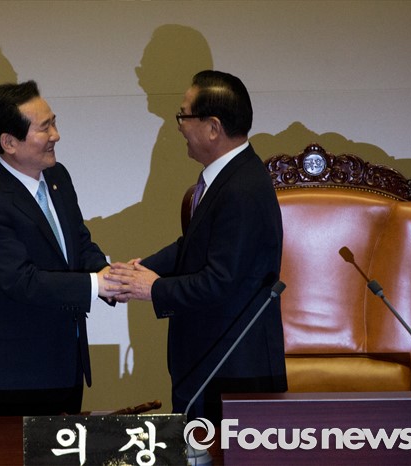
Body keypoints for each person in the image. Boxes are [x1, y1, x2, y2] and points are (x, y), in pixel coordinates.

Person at [106, 70, 287, 423]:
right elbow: (192, 246)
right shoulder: (229, 177)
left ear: (213, 127)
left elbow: (220, 281)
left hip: (232, 371)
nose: (179, 126)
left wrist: (152, 288)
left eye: (184, 116)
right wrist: (137, 271)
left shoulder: (243, 190)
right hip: (211, 363)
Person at [0, 80, 115, 416]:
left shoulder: (59, 177)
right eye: (45, 128)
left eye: (54, 123)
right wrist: (97, 285)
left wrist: (108, 272)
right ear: (9, 142)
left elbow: (78, 242)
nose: (56, 135)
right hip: (17, 379)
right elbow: (23, 282)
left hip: (67, 369)